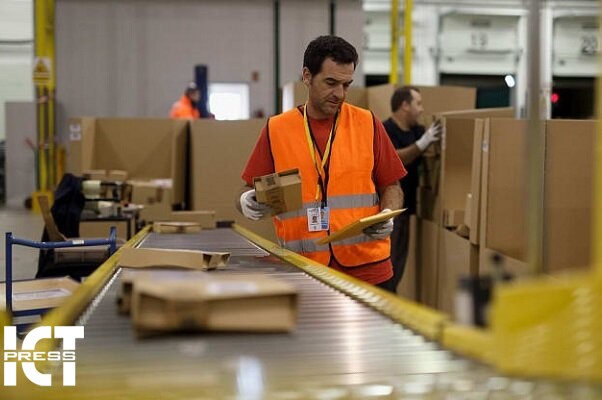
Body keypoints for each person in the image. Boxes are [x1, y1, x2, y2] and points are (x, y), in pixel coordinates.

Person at [237, 35, 407, 292]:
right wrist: (245, 201)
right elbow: (247, 190)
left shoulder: (368, 124)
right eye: (331, 83)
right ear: (307, 76)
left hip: (368, 269)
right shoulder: (277, 129)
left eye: (346, 85)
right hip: (302, 268)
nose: (340, 94)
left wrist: (387, 214)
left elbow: (392, 186)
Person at [382, 86, 441, 290]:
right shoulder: (385, 130)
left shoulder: (418, 131)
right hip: (389, 211)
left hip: (407, 209)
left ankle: (389, 297)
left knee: (398, 263)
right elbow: (395, 158)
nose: (422, 109)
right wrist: (422, 144)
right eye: (418, 103)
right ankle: (383, 300)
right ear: (405, 106)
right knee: (388, 265)